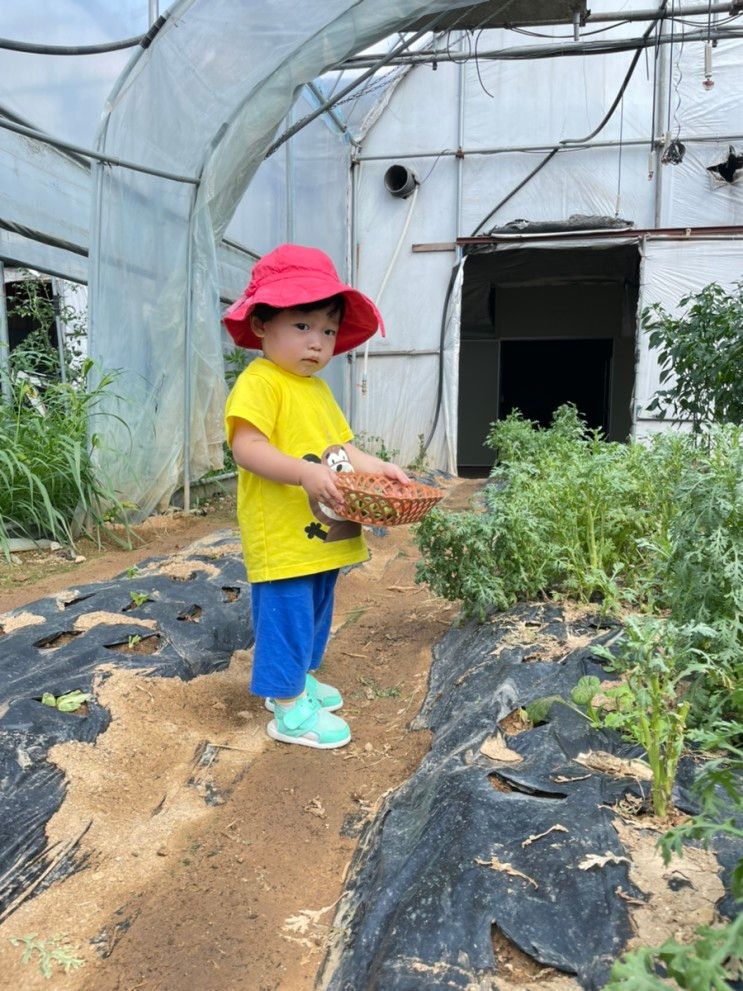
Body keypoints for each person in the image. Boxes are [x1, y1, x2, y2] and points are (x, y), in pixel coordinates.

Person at [223, 244, 409, 750]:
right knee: (286, 614)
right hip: (282, 534)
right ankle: (286, 710)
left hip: (324, 531)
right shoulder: (261, 382)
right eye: (303, 326)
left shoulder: (318, 391)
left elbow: (340, 450)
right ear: (262, 323)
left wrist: (383, 468)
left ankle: (298, 681)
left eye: (328, 331)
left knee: (317, 608)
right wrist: (303, 475)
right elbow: (247, 448)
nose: (318, 343)